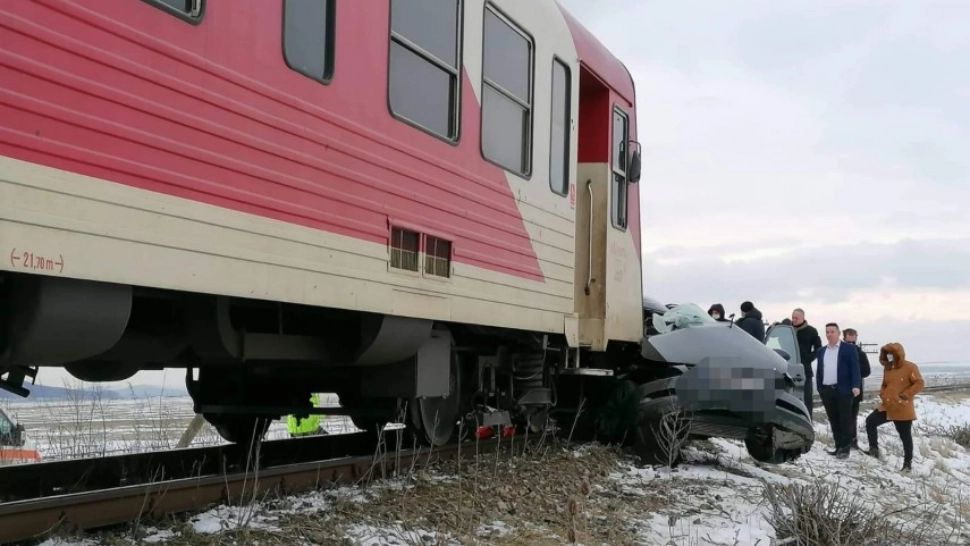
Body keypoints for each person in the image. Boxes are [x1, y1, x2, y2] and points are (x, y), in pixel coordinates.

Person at [865, 342, 924, 472]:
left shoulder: (910, 367)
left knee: (905, 436)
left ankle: (907, 464)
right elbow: (885, 384)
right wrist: (882, 393)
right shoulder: (887, 368)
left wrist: (906, 395)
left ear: (898, 354)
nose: (889, 356)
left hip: (902, 407)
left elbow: (919, 383)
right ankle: (874, 450)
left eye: (891, 353)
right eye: (887, 353)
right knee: (870, 421)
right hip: (887, 406)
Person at [816, 322, 861, 459]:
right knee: (833, 419)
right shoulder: (822, 351)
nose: (829, 334)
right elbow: (820, 370)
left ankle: (845, 448)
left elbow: (855, 369)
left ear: (838, 333)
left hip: (843, 390)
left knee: (845, 419)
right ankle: (838, 446)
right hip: (827, 391)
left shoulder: (848, 349)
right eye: (827, 332)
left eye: (832, 332)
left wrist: (856, 385)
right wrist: (820, 388)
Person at [842, 328, 871, 449]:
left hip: (855, 391)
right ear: (844, 336)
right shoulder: (839, 351)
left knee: (852, 417)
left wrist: (855, 370)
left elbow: (867, 371)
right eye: (849, 334)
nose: (852, 337)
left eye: (854, 335)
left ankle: (853, 441)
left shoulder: (860, 353)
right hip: (841, 390)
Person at [791, 309, 822, 416]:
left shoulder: (811, 331)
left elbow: (819, 348)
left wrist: (809, 358)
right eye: (793, 317)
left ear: (803, 318)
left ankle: (808, 422)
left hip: (805, 370)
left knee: (807, 398)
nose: (794, 320)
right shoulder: (788, 329)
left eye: (796, 318)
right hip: (789, 367)